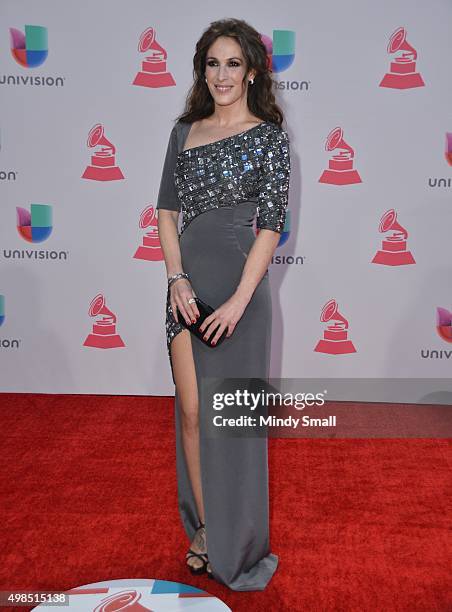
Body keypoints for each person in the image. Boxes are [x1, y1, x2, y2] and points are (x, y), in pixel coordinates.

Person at [156, 17, 291, 591]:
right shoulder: (184, 130)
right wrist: (176, 279)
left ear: (253, 70)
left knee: (231, 425)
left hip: (242, 296)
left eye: (232, 62)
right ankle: (209, 528)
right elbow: (165, 209)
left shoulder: (270, 136)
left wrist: (239, 300)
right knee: (191, 416)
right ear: (202, 70)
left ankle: (239, 543)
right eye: (212, 63)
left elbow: (271, 224)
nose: (221, 74)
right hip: (188, 289)